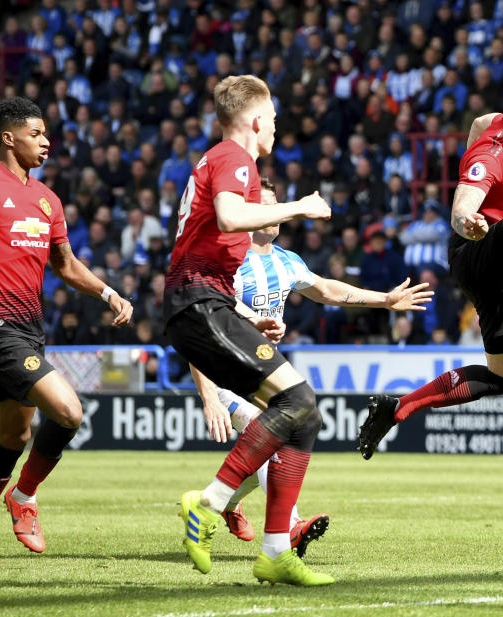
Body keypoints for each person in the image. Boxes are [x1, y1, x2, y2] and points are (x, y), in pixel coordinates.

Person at [0, 97, 133, 567]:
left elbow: (67, 265)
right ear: (9, 138)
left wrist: (107, 293)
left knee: (14, 436)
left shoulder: (47, 199)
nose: (47, 141)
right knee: (69, 411)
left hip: (31, 329)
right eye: (37, 133)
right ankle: (24, 497)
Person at [191, 178, 431, 556]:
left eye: (277, 204)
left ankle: (217, 503)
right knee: (273, 438)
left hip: (261, 376)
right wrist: (209, 397)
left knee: (266, 448)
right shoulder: (225, 259)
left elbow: (328, 290)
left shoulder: (286, 261)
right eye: (266, 205)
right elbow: (198, 324)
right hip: (224, 375)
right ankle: (289, 529)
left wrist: (385, 300)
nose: (275, 214)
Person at [358, 71, 503, 459]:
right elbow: (462, 204)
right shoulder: (491, 156)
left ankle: (397, 408)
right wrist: (469, 220)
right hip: (474, 251)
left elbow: (481, 123)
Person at [162, 75, 334, 587]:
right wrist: (300, 206)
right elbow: (231, 216)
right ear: (257, 121)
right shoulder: (236, 158)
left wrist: (240, 315)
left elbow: (210, 229)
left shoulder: (220, 161)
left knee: (302, 416)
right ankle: (209, 503)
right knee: (298, 400)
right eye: (275, 120)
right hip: (198, 300)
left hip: (207, 302)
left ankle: (276, 550)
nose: (277, 129)